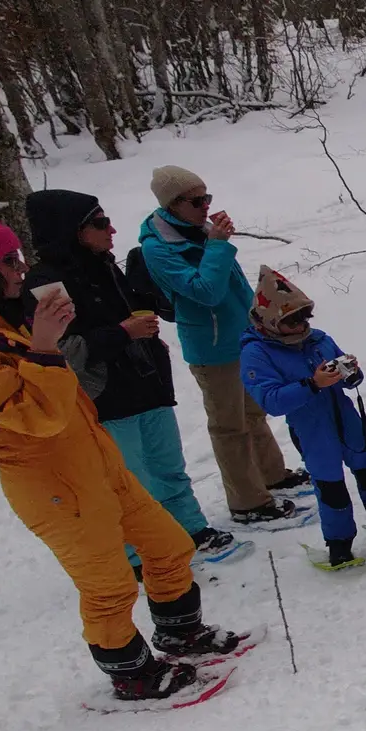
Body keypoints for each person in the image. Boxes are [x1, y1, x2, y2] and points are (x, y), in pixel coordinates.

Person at [0, 195, 244, 700]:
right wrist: (46, 344)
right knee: (110, 587)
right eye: (8, 261)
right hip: (55, 488)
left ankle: (181, 633)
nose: (21, 269)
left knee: (169, 546)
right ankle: (133, 675)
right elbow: (39, 414)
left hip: (96, 464)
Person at [23, 189, 241, 573]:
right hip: (105, 398)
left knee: (168, 467)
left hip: (147, 385)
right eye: (100, 222)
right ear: (72, 231)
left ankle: (191, 529)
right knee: (127, 483)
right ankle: (139, 555)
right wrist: (124, 332)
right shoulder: (46, 283)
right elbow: (64, 350)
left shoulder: (104, 264)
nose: (111, 230)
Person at [137, 165, 305, 523]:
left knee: (253, 413)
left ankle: (272, 475)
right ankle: (247, 503)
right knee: (229, 425)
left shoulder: (199, 232)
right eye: (196, 200)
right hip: (212, 350)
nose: (205, 205)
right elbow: (205, 292)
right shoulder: (158, 248)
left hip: (243, 340)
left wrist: (258, 325)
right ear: (172, 204)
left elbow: (234, 289)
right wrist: (216, 245)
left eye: (207, 197)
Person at [240, 268, 366, 569]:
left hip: (346, 420)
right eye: (292, 320)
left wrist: (351, 373)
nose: (301, 325)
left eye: (304, 317)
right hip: (312, 429)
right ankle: (339, 543)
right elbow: (270, 400)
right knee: (331, 488)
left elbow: (346, 377)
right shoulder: (256, 353)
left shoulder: (318, 339)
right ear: (271, 322)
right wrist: (312, 384)